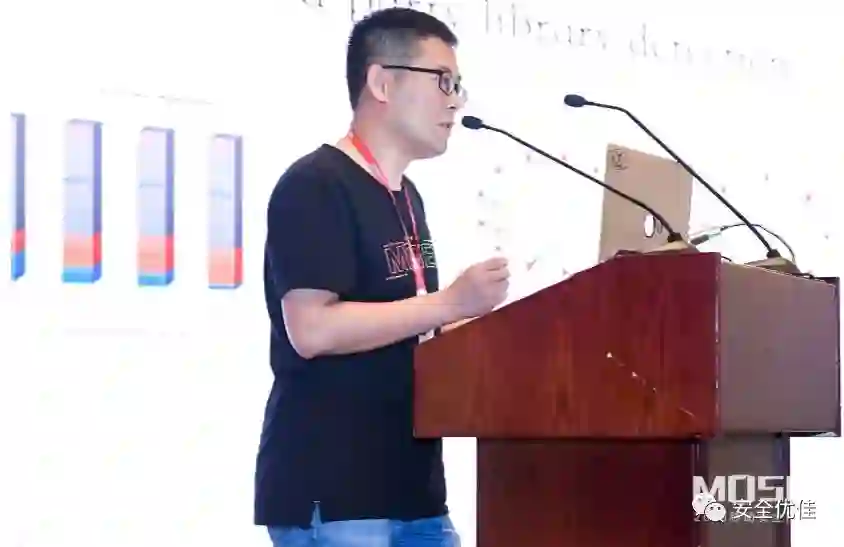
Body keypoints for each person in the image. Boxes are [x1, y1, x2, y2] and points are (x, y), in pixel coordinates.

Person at [255, 7, 510, 546]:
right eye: (442, 80)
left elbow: (405, 323)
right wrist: (450, 303)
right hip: (337, 490)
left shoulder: (406, 196)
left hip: (414, 490)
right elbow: (312, 330)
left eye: (457, 84)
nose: (456, 100)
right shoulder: (316, 184)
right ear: (382, 83)